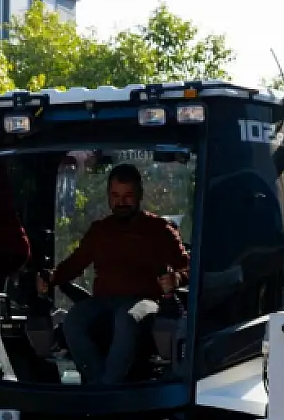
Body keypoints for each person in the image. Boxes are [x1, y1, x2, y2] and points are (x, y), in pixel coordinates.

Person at [38, 164, 190, 386]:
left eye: (128, 196)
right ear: (108, 196)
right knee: (74, 320)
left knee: (126, 319)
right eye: (115, 195)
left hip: (145, 302)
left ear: (139, 195)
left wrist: (176, 279)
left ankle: (109, 386)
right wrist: (51, 277)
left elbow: (189, 268)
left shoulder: (160, 230)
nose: (121, 202)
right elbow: (74, 264)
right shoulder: (100, 231)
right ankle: (97, 384)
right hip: (104, 302)